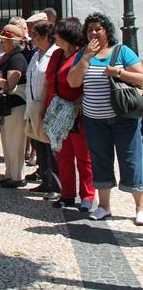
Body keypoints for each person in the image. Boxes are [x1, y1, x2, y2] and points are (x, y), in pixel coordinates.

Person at [68, 13, 143, 224]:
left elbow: (141, 78)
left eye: (98, 29)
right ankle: (104, 206)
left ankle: (140, 206)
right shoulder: (83, 54)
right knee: (100, 160)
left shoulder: (121, 52)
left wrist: (118, 72)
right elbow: (73, 82)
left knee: (130, 159)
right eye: (90, 29)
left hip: (123, 118)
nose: (93, 32)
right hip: (94, 119)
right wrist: (85, 58)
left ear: (107, 31)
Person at [43, 18, 95, 211]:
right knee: (63, 156)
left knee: (83, 157)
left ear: (67, 35)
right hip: (57, 113)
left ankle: (88, 196)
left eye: (57, 32)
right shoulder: (56, 55)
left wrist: (78, 104)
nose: (54, 36)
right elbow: (48, 82)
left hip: (77, 114)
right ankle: (67, 194)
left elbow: (88, 84)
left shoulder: (83, 55)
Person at [0, 24, 29, 188]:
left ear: (13, 42)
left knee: (15, 141)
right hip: (7, 106)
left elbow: (9, 85)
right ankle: (11, 174)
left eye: (4, 41)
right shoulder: (8, 57)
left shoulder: (17, 59)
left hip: (15, 106)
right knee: (7, 141)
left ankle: (17, 176)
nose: (1, 43)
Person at [22, 21, 60, 200]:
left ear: (46, 36)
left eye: (36, 35)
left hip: (46, 106)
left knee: (50, 148)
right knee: (40, 145)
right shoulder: (36, 54)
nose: (32, 38)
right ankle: (46, 181)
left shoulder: (55, 53)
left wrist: (44, 106)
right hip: (33, 105)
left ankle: (57, 185)